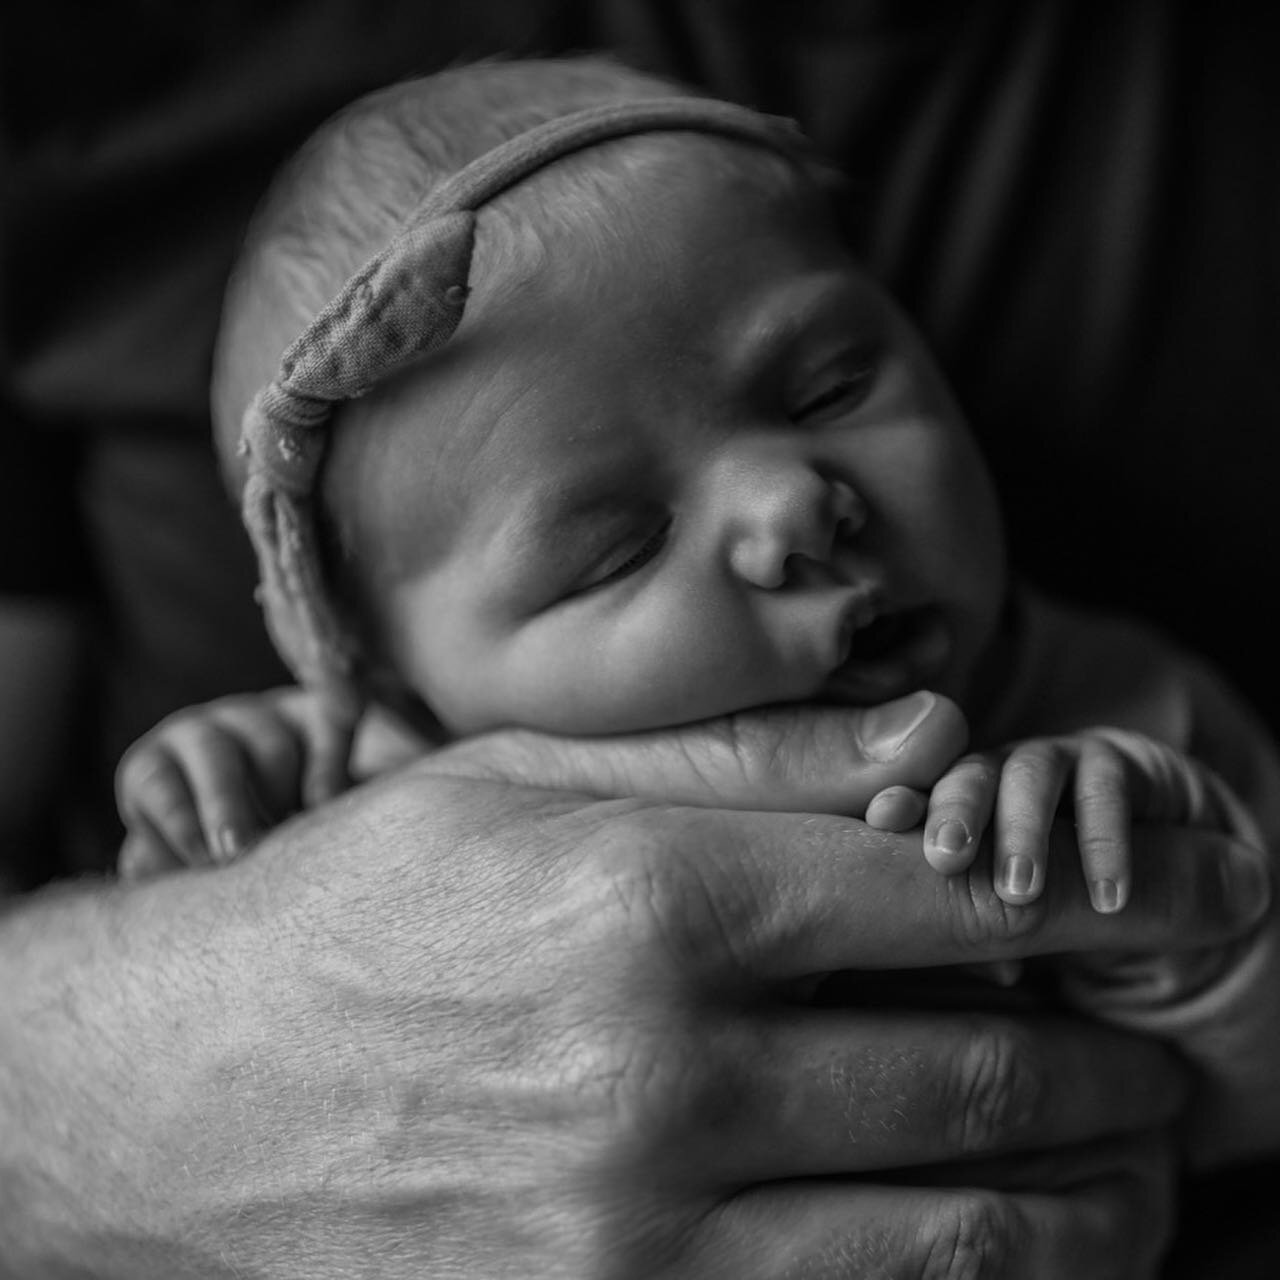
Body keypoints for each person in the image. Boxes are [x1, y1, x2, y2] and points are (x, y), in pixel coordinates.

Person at [6, 5, 1280, 1276]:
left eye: (832, 385)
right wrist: (233, 806)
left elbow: (1251, 1105)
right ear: (398, 684)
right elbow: (252, 944)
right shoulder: (370, 770)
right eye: (614, 546)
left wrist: (1174, 925)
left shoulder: (1106, 723)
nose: (792, 502)